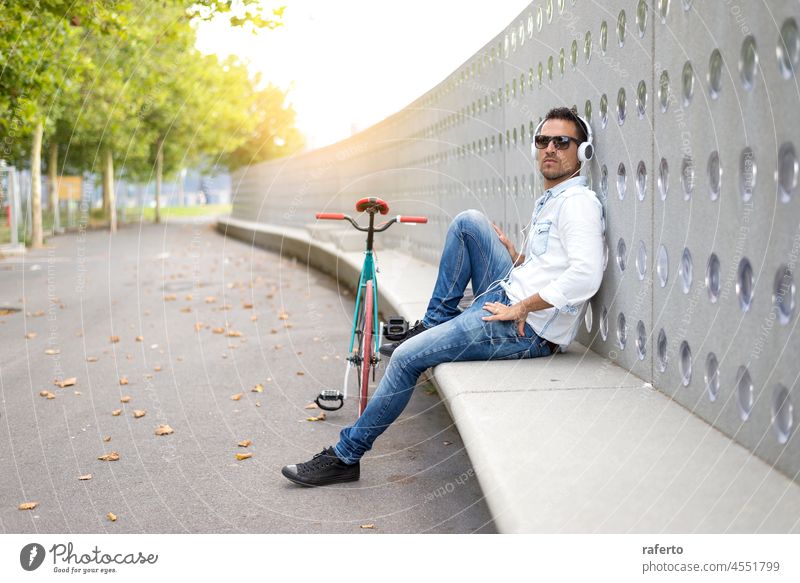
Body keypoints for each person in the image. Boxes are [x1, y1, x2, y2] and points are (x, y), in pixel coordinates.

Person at [281, 106, 605, 486]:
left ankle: (346, 456)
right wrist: (518, 257)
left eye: (562, 142)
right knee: (469, 222)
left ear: (581, 152)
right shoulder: (552, 199)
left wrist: (521, 305)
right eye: (542, 141)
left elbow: (585, 275)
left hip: (524, 328)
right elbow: (554, 265)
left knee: (405, 358)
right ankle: (433, 324)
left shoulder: (578, 204)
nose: (550, 148)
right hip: (509, 293)